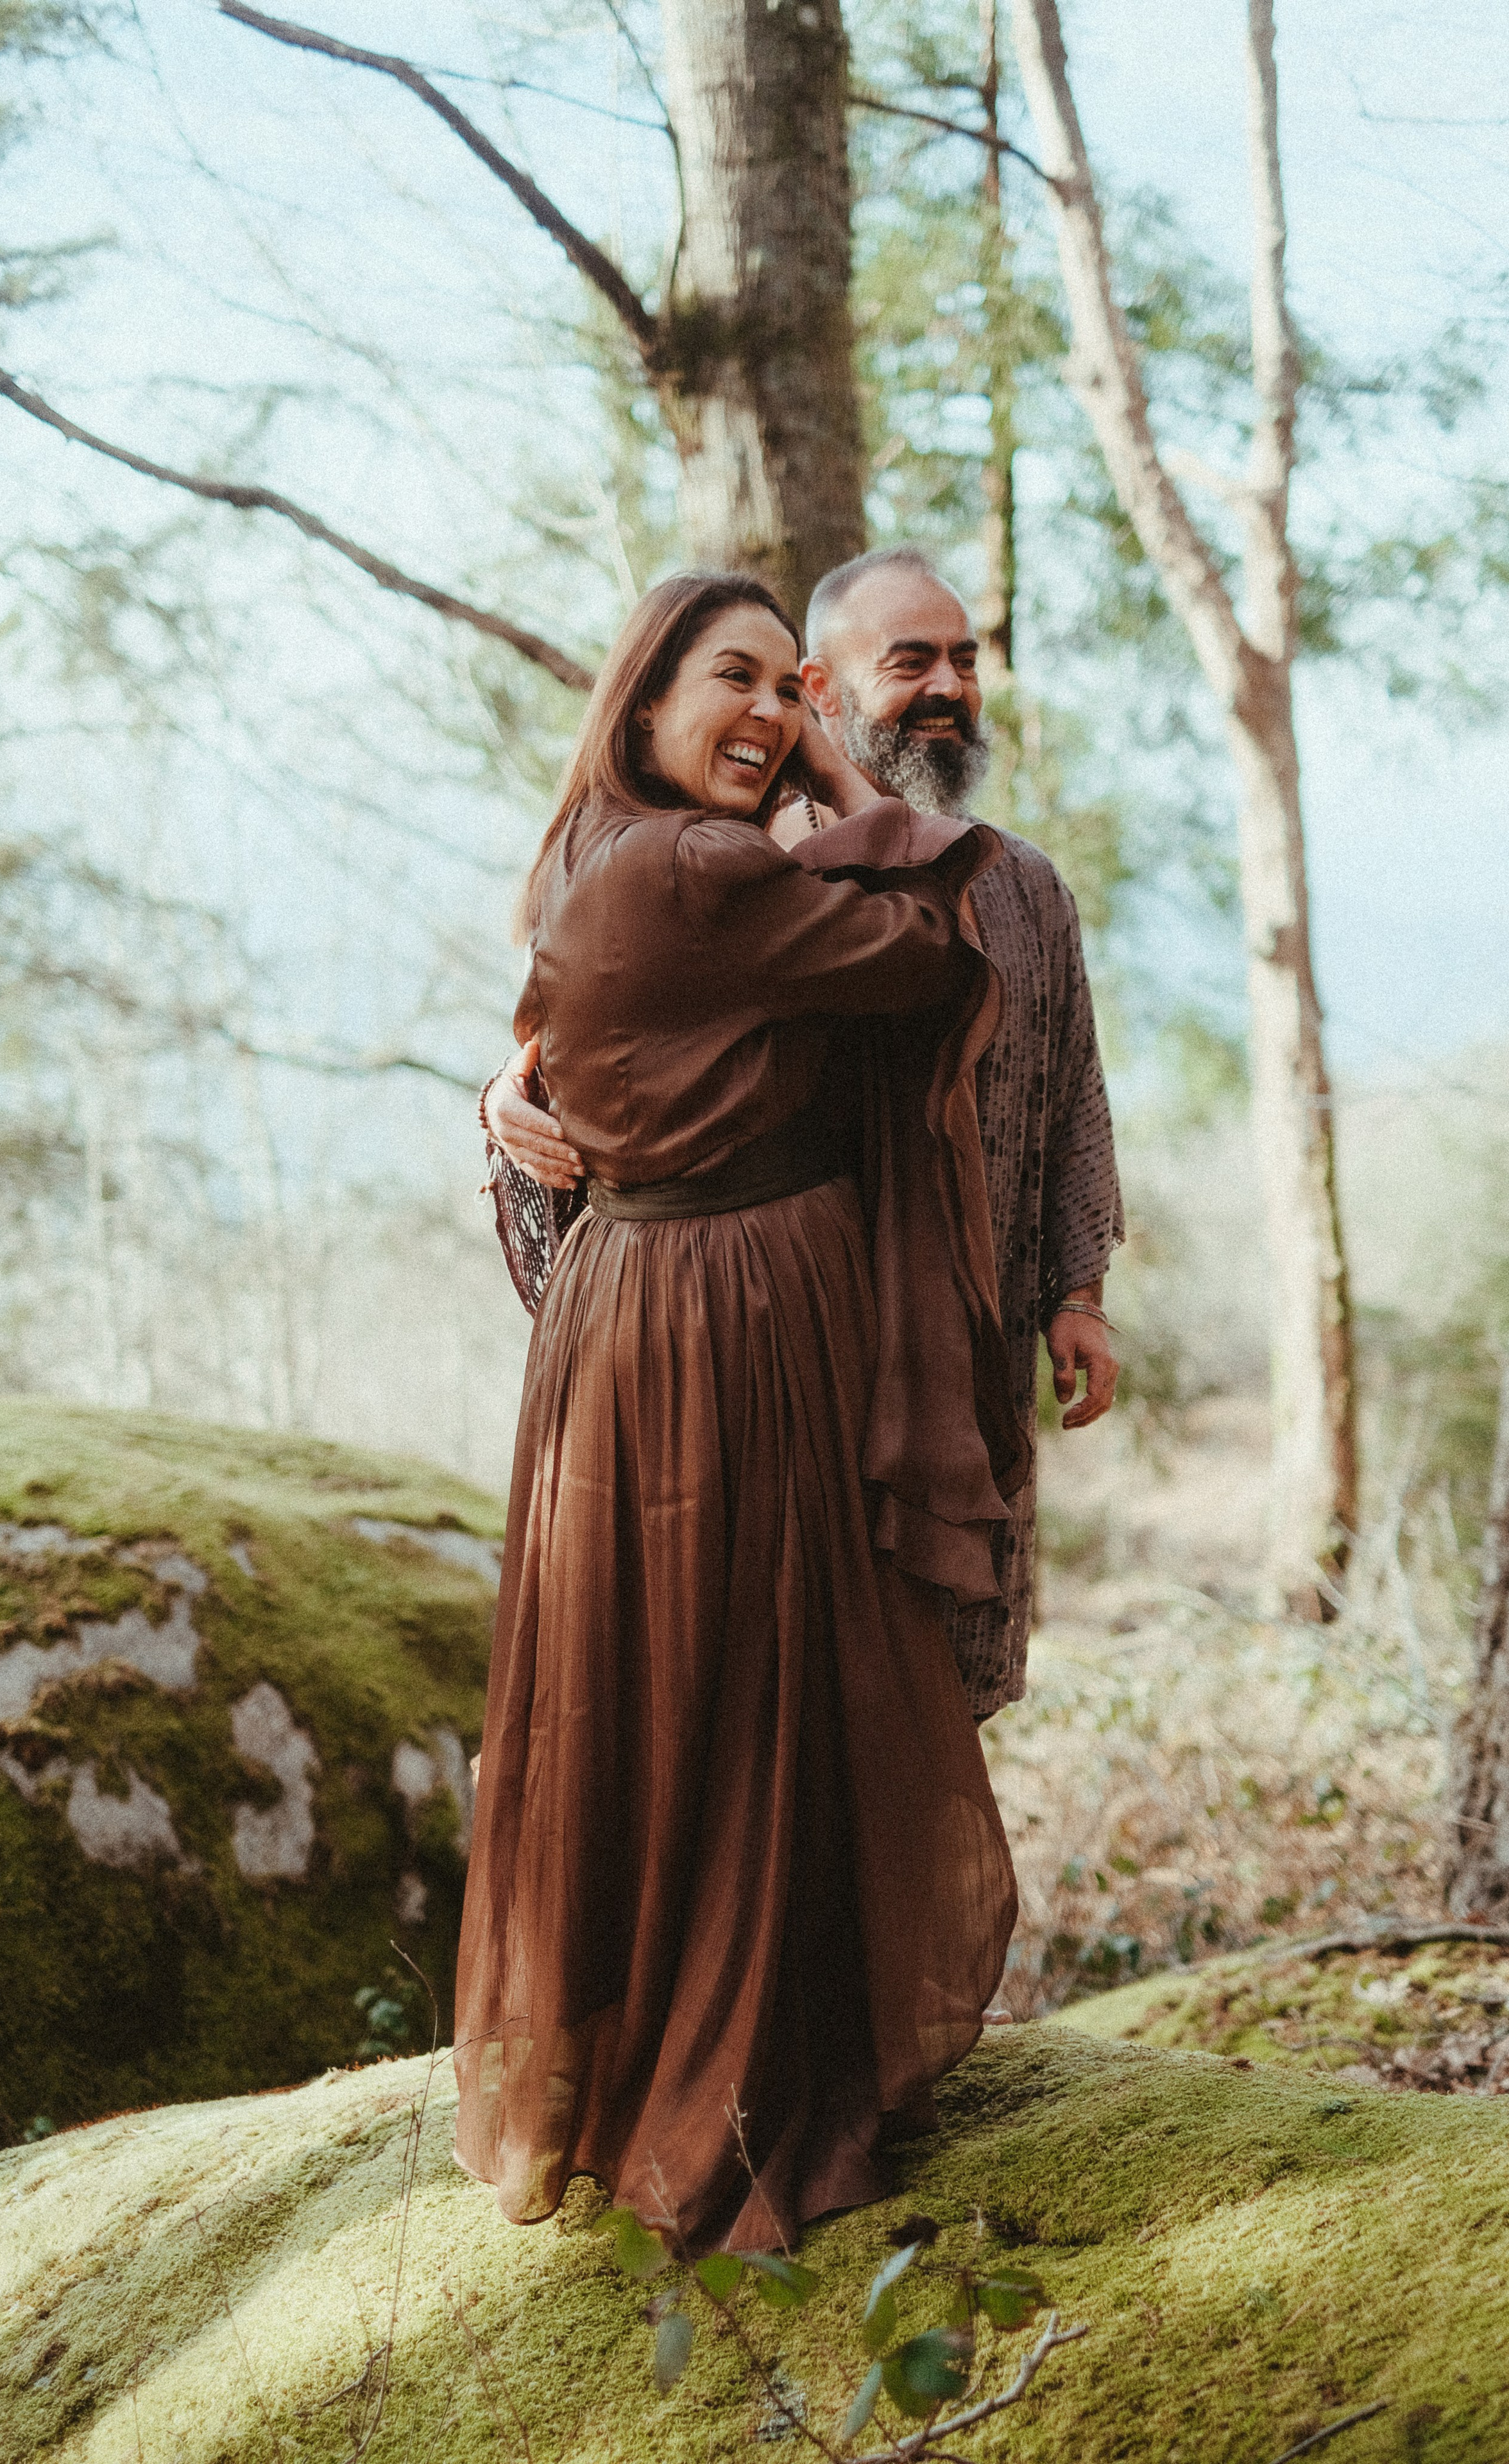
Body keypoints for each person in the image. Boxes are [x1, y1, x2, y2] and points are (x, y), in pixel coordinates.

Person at [455, 572, 1022, 2255]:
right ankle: (754, 2081)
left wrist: (508, 1097)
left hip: (626, 1312)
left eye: (794, 689)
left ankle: (642, 2068)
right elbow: (928, 947)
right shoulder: (705, 864)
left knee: (656, 1679)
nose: (774, 716)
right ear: (641, 702)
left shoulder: (586, 851)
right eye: (735, 682)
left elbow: (570, 1055)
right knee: (764, 1678)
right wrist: (846, 786)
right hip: (732, 1317)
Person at [486, 545, 1123, 1722]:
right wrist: (505, 1095)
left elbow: (1073, 1086)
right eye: (910, 662)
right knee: (800, 1686)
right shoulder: (751, 856)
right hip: (797, 1331)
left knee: (921, 1688)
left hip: (962, 1324)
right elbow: (601, 1035)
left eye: (966, 662)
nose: (948, 687)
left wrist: (1077, 1290)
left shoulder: (1024, 885)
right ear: (827, 696)